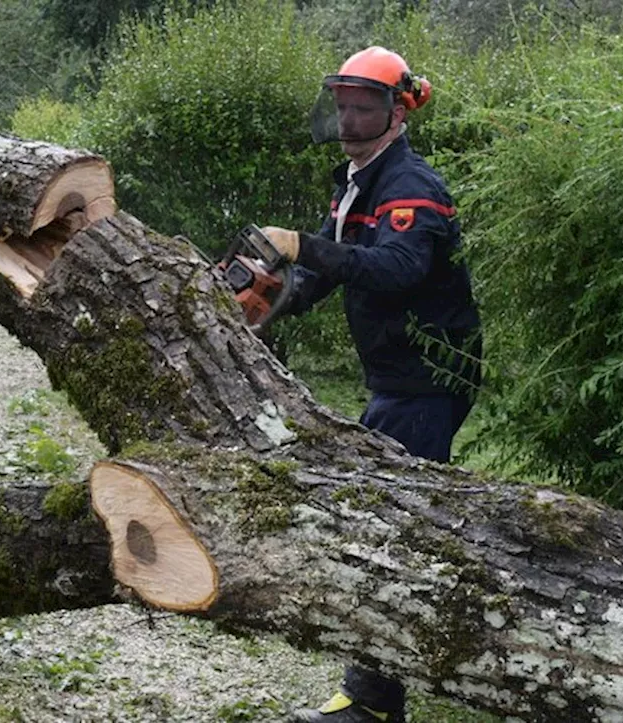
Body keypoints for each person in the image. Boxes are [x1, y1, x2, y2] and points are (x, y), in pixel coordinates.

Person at [259, 47, 482, 723]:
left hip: (425, 380)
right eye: (344, 103)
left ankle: (374, 702)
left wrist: (302, 242)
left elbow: (394, 269)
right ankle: (372, 693)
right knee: (392, 520)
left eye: (366, 105)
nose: (351, 117)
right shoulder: (357, 182)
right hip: (396, 378)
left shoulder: (411, 184)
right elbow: (324, 272)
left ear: (398, 109)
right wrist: (263, 301)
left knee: (391, 531)